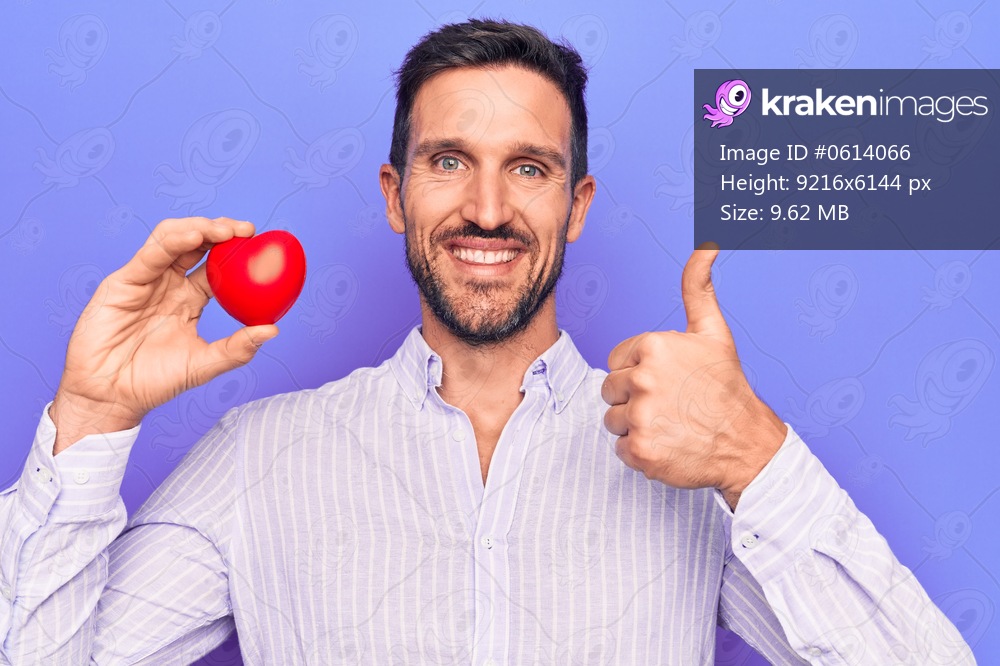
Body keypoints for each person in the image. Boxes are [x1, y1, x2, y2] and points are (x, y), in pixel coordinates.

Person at [0, 19, 972, 665]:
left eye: (530, 169)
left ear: (576, 206)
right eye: (450, 161)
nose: (489, 209)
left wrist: (756, 459)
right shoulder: (257, 459)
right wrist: (91, 415)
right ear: (395, 194)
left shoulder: (691, 458)